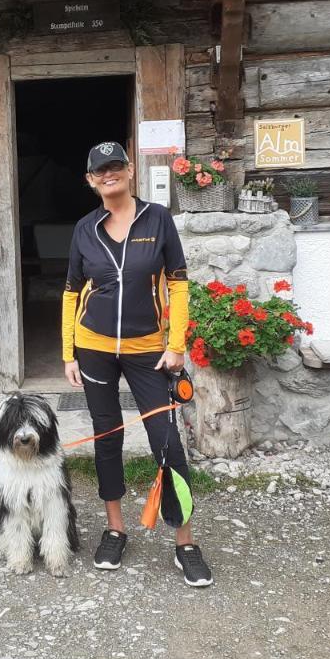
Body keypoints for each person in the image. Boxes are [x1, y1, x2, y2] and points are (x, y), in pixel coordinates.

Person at [61, 141, 213, 588]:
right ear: (90, 180)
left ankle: (185, 541)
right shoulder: (85, 228)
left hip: (150, 349)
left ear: (129, 171)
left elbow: (179, 282)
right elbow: (72, 290)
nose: (109, 175)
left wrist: (177, 344)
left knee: (168, 444)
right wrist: (69, 350)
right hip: (94, 347)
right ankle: (115, 528)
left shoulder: (157, 218)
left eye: (115, 167)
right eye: (99, 171)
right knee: (108, 438)